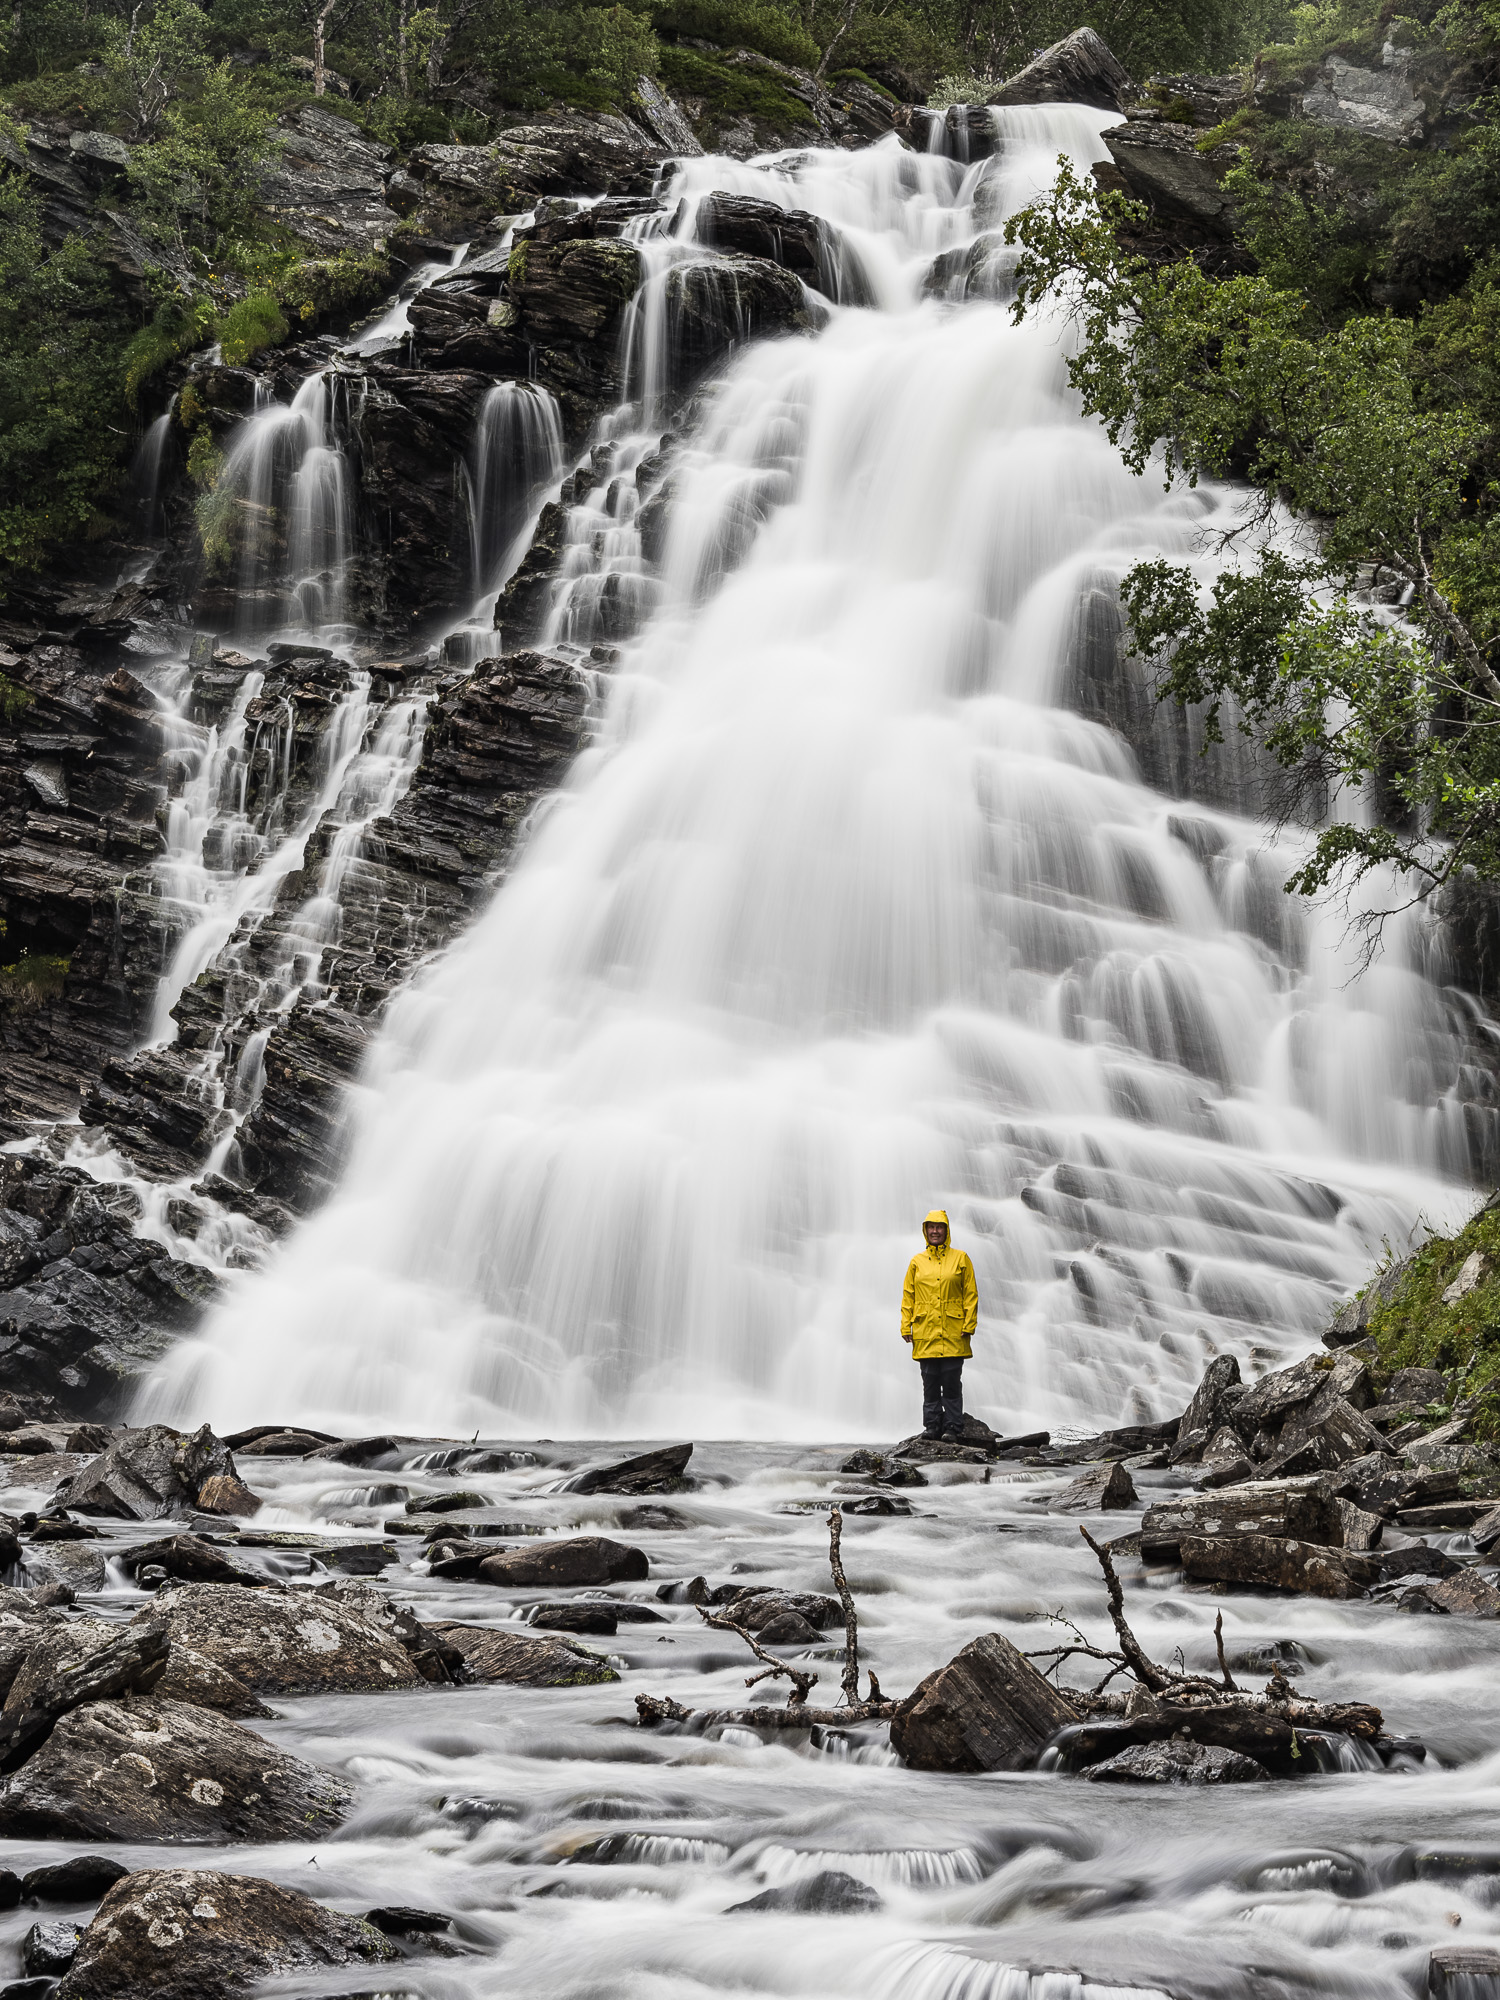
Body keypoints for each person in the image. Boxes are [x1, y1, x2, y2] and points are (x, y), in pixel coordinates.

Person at [900, 1208, 978, 1441]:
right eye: (931, 1227)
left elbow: (970, 1293)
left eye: (939, 1227)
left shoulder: (961, 1258)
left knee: (952, 1380)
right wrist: (906, 1325)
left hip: (954, 1330)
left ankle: (953, 1427)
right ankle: (932, 1426)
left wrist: (969, 1323)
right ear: (926, 1231)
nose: (935, 1231)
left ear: (946, 1230)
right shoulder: (917, 1262)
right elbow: (908, 1295)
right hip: (925, 1330)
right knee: (930, 1381)